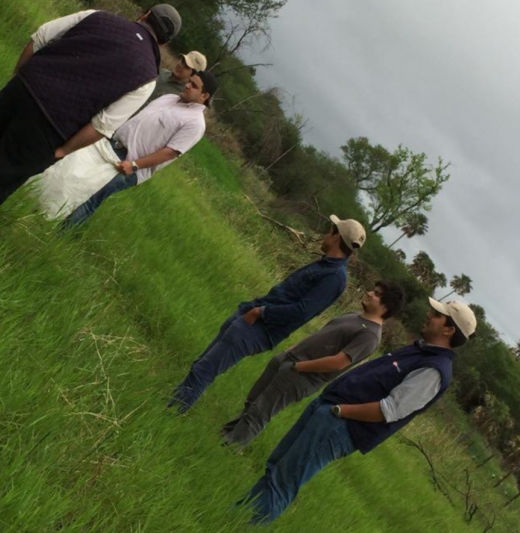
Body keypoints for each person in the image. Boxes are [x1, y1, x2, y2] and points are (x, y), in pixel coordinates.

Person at [0, 5, 182, 235]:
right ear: (162, 42)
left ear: (145, 14)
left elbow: (40, 37)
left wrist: (18, 79)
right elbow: (102, 125)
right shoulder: (147, 78)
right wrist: (63, 150)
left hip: (24, 89)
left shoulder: (98, 16)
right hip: (51, 128)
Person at [240, 298, 477, 524]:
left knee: (283, 481)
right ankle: (238, 514)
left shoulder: (434, 369)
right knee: (277, 466)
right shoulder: (421, 351)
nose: (429, 315)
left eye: (437, 315)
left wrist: (340, 411)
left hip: (340, 425)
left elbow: (390, 409)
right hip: (329, 410)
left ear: (449, 330)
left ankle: (242, 524)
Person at [168, 215, 366, 413]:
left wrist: (261, 312)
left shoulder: (334, 277)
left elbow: (302, 311)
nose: (324, 235)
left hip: (260, 327)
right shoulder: (326, 266)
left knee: (205, 370)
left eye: (330, 230)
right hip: (251, 316)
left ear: (337, 237)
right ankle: (170, 403)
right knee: (201, 364)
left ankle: (172, 413)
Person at [221, 281, 405, 447]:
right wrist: (289, 353)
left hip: (302, 376)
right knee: (252, 401)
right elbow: (321, 335)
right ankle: (225, 436)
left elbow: (338, 362)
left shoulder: (370, 336)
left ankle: (230, 448)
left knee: (260, 412)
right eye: (373, 289)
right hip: (289, 360)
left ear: (386, 307)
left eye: (377, 294)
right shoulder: (355, 315)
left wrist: (299, 367)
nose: (370, 293)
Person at [32, 70, 218, 226]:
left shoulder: (195, 123)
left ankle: (58, 232)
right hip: (112, 144)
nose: (187, 85)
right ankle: (41, 207)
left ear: (204, 96)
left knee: (91, 197)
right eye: (189, 82)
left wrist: (134, 165)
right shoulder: (169, 98)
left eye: (194, 86)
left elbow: (170, 152)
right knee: (75, 175)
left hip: (131, 165)